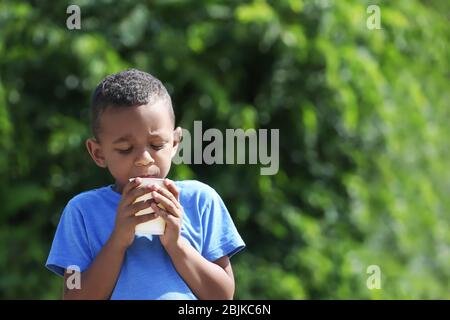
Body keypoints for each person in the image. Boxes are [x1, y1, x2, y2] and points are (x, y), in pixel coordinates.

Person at [45, 69, 245, 299]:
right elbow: (73, 295)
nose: (144, 159)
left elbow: (223, 296)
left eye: (157, 145)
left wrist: (177, 244)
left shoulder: (200, 201)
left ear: (175, 142)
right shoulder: (81, 212)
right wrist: (118, 240)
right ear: (98, 153)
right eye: (125, 149)